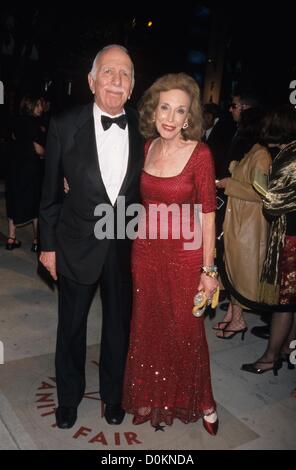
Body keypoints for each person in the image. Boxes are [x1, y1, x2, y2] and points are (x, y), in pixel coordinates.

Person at [39, 45, 144, 429]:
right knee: (71, 327)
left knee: (118, 328)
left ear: (133, 86)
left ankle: (113, 398)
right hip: (75, 243)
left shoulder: (143, 128)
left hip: (123, 247)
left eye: (125, 74)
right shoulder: (65, 125)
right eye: (109, 72)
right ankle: (68, 398)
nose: (117, 80)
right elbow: (49, 194)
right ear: (91, 81)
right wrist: (47, 247)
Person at [122, 73, 219, 435]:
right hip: (145, 252)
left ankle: (204, 399)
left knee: (186, 330)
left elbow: (208, 214)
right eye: (165, 107)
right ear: (154, 109)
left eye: (180, 111)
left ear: (188, 117)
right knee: (148, 327)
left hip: (185, 256)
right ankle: (151, 393)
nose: (170, 117)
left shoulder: (201, 154)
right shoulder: (147, 147)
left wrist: (209, 270)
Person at [241, 105, 296, 374]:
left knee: (284, 303)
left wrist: (260, 184)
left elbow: (273, 203)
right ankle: (286, 349)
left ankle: (270, 357)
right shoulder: (289, 152)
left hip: (292, 237)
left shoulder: (290, 157)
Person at [214, 108, 271, 338]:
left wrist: (229, 183)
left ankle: (238, 320)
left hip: (248, 224)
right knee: (232, 270)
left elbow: (262, 192)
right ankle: (231, 316)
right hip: (238, 220)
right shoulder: (253, 152)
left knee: (239, 273)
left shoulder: (261, 155)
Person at [5, 94, 45, 252]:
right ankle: (37, 241)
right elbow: (37, 148)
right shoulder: (34, 123)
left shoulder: (15, 121)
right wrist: (47, 153)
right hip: (30, 168)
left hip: (14, 166)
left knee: (13, 198)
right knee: (35, 201)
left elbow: (14, 139)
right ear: (32, 106)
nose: (41, 108)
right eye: (39, 105)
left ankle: (11, 238)